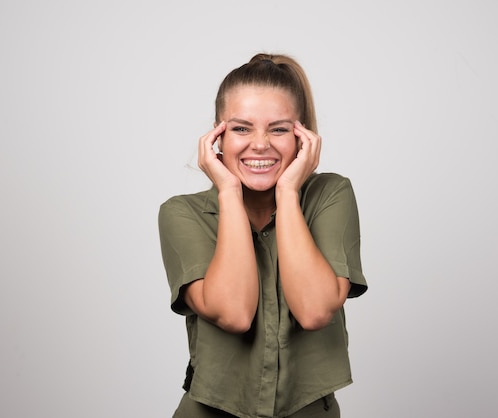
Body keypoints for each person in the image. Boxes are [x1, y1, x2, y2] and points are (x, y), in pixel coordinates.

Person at [158, 52, 368, 418]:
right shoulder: (182, 213)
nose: (259, 144)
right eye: (241, 128)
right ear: (216, 136)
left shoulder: (330, 196)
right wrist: (228, 191)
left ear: (302, 136)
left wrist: (288, 191)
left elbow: (315, 310)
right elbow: (235, 314)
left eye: (279, 129)